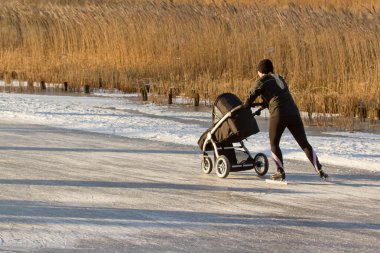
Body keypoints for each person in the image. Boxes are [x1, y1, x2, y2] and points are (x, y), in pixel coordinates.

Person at [244, 59, 328, 180]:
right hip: (294, 114)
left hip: (279, 115)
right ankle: (319, 169)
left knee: (274, 143)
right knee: (304, 144)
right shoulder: (280, 78)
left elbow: (251, 94)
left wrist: (247, 105)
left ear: (260, 71)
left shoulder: (262, 80)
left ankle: (280, 171)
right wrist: (264, 104)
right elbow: (277, 96)